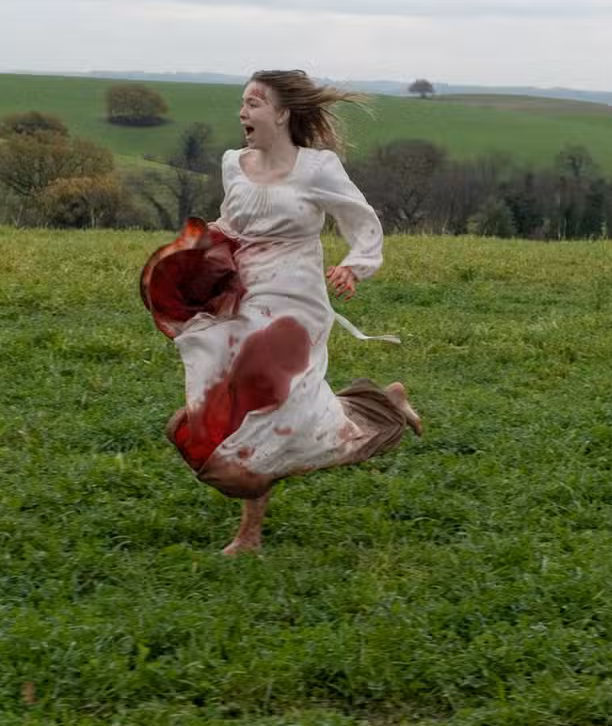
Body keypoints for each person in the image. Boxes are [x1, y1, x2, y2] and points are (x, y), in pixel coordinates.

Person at [140, 70, 422, 554]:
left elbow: (360, 219)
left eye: (253, 103)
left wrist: (354, 266)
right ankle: (252, 530)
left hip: (293, 299)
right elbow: (232, 221)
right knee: (256, 414)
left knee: (267, 396)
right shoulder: (235, 163)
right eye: (242, 104)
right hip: (242, 293)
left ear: (283, 113)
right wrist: (195, 251)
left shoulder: (317, 168)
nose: (243, 113)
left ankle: (378, 417)